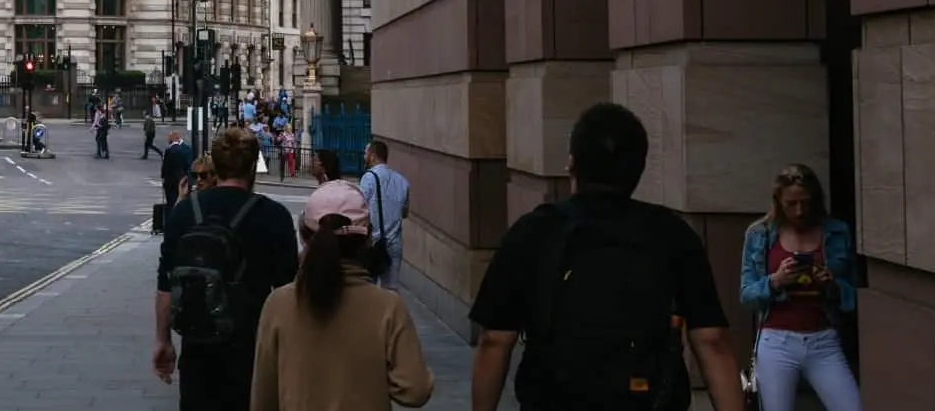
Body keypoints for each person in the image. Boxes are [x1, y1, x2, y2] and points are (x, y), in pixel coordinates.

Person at [468, 102, 746, 411]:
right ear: (639, 168)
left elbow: (495, 340)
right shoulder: (672, 234)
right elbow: (712, 341)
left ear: (572, 164)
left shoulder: (533, 232)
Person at [251, 180, 433, 411]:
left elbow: (263, 399)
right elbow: (415, 391)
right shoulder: (387, 307)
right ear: (367, 241)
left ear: (305, 236)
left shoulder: (279, 304)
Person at [151, 127, 299, 411]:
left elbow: (166, 285)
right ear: (254, 166)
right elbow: (288, 292)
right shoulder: (273, 215)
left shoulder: (184, 212)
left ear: (215, 167)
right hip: (252, 350)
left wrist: (162, 339)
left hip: (198, 347)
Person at [739, 163, 860, 411]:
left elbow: (854, 294)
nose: (800, 210)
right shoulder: (760, 234)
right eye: (791, 204)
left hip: (823, 339)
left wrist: (831, 285)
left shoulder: (836, 232)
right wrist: (776, 281)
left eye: (805, 202)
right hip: (776, 340)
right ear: (778, 202)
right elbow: (746, 294)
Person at [359, 140, 410, 291]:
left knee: (369, 289)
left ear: (373, 156)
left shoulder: (368, 177)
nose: (364, 156)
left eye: (366, 153)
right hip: (394, 243)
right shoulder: (402, 181)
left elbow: (361, 207)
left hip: (374, 242)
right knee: (391, 289)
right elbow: (405, 213)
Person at [159, 130, 193, 211]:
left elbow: (165, 167)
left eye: (169, 138)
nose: (168, 140)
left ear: (174, 138)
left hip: (171, 182)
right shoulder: (188, 149)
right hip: (183, 180)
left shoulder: (170, 150)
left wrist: (163, 176)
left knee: (172, 203)